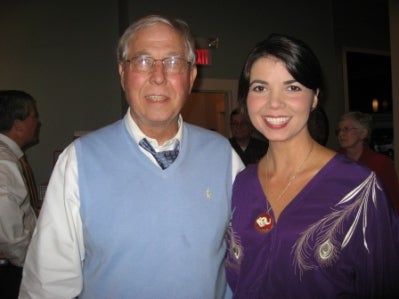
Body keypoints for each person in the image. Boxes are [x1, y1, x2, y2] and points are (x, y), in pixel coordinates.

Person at [19, 15, 244, 299]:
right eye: (143, 61)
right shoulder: (78, 161)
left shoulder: (224, 157)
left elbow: (246, 262)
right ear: (122, 73)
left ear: (191, 76)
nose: (159, 76)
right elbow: (47, 287)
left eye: (173, 62)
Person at [225, 33, 399, 298]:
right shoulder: (241, 183)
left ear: (315, 97)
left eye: (292, 87)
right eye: (260, 88)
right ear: (246, 98)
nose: (274, 103)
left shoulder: (358, 188)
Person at [0, 90, 40, 298]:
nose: (38, 122)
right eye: (34, 116)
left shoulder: (9, 157)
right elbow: (8, 232)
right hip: (10, 271)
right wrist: (33, 263)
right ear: (18, 125)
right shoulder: (3, 162)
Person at [337, 111, 399, 214]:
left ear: (363, 133)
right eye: (339, 130)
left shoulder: (381, 164)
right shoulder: (334, 162)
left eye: (346, 129)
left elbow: (393, 202)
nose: (340, 134)